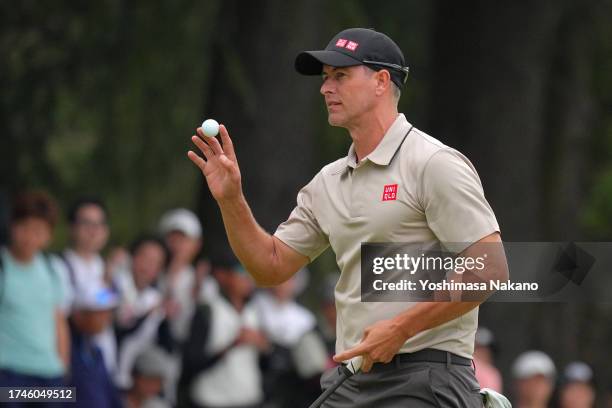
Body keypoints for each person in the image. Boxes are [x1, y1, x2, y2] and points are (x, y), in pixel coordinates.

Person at [188, 27, 507, 407]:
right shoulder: (328, 181)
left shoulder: (433, 164)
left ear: (381, 82)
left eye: (341, 76)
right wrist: (231, 200)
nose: (326, 88)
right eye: (325, 79)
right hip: (352, 381)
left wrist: (401, 329)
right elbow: (269, 266)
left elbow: (490, 268)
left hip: (427, 379)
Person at [0, 191, 69, 408]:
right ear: (12, 226)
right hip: (10, 373)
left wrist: (63, 364)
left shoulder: (52, 268)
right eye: (25, 228)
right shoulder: (3, 266)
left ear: (49, 235)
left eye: (39, 231)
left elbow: (58, 320)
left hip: (51, 375)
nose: (30, 237)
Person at [179, 257, 268, 408]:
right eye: (242, 271)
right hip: (211, 400)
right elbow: (192, 363)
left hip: (249, 399)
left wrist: (264, 345)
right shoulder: (207, 311)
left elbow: (266, 363)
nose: (248, 278)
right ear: (222, 275)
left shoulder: (255, 312)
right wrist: (234, 344)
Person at [58, 196, 117, 374]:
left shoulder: (108, 267)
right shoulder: (59, 267)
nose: (93, 231)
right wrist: (105, 291)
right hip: (74, 359)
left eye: (99, 225)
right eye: (86, 223)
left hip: (106, 360)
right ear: (72, 228)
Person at [114, 235, 169, 389]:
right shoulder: (117, 283)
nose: (147, 266)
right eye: (144, 257)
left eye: (155, 262)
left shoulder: (154, 299)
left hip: (134, 378)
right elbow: (100, 303)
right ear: (131, 257)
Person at [473, 327, 503, 392]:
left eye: (488, 349)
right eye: (480, 348)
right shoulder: (491, 372)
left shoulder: (492, 372)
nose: (485, 353)